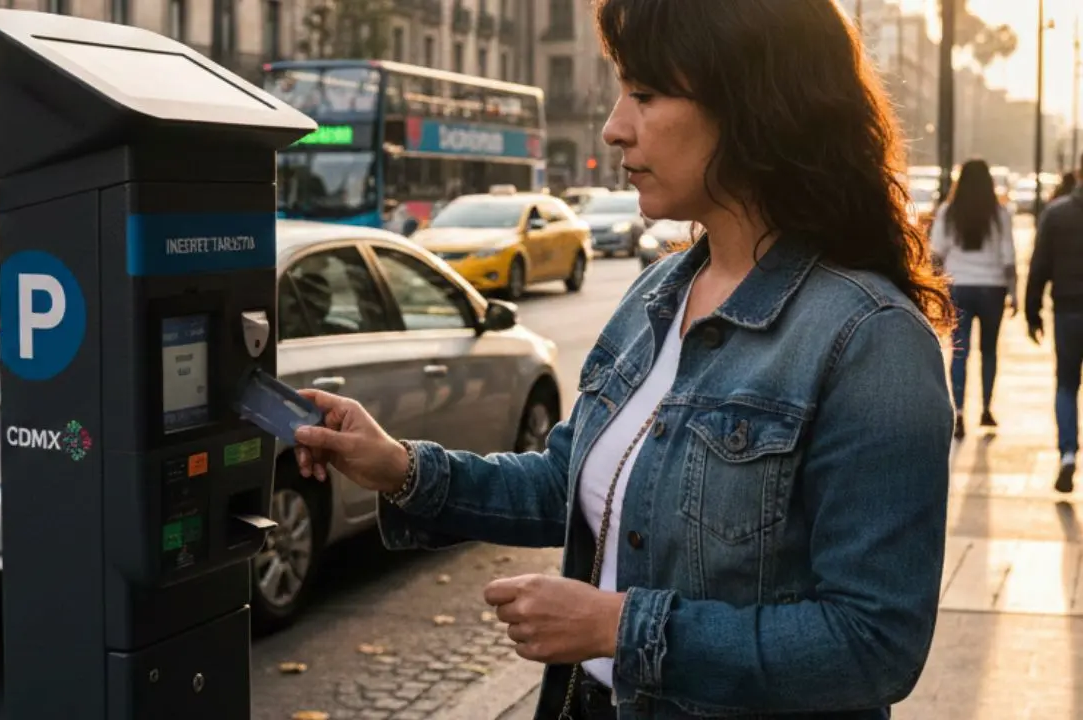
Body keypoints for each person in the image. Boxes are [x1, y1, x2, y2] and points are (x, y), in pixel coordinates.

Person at [292, 1, 955, 718]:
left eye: (644, 94)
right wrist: (399, 468)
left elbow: (873, 643)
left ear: (753, 104)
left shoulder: (870, 339)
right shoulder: (656, 294)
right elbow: (567, 483)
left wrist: (617, 626)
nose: (613, 126)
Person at [930, 159, 1017, 439]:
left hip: (960, 285)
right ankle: (987, 408)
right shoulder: (999, 214)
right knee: (989, 350)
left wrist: (934, 288)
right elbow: (1008, 257)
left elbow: (937, 252)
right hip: (992, 287)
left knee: (960, 351)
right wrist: (1014, 292)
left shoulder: (948, 212)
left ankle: (958, 412)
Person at [1027, 158, 1083, 493]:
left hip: (1068, 310)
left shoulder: (1056, 213)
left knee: (1066, 384)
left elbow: (1040, 264)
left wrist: (1032, 309)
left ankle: (1067, 453)